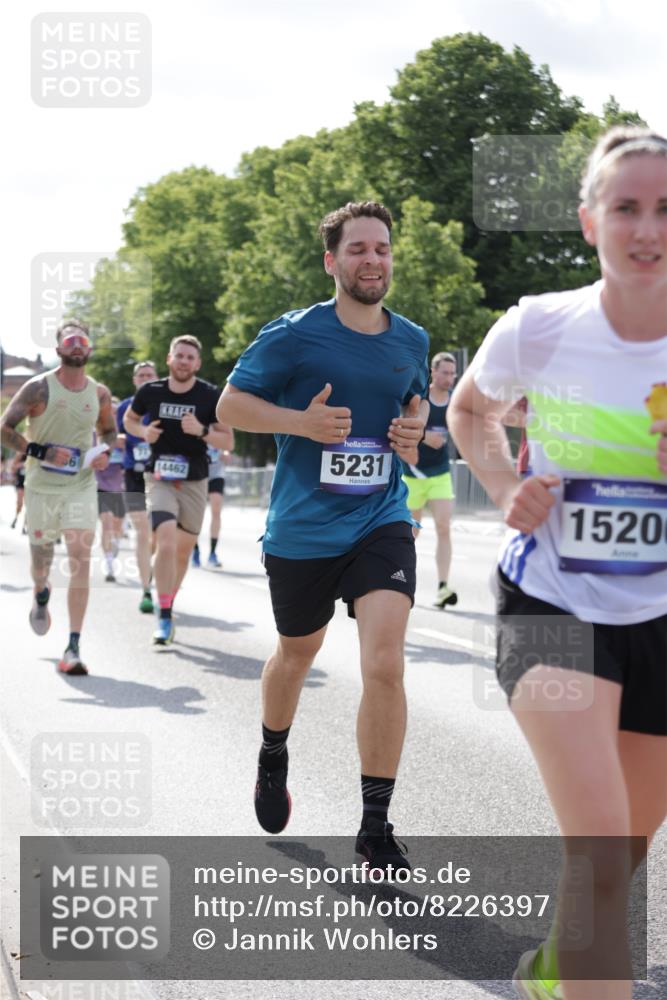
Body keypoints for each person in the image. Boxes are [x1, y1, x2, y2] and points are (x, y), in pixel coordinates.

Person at [448, 127, 667, 1000]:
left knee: (625, 854)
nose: (646, 228)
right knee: (600, 853)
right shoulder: (538, 325)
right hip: (551, 601)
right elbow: (471, 412)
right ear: (589, 222)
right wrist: (506, 485)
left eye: (664, 209)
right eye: (625, 208)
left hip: (658, 617)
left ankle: (549, 969)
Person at [217, 201, 429, 874]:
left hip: (380, 517)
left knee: (384, 663)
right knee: (296, 652)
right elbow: (229, 405)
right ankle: (273, 752)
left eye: (383, 249)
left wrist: (411, 426)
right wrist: (298, 424)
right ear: (331, 261)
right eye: (359, 249)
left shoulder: (411, 339)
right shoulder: (294, 334)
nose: (373, 260)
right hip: (303, 530)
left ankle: (374, 825)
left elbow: (415, 399)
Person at [0, 320, 116, 675]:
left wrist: (105, 450)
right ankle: (40, 593)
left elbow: (109, 430)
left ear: (90, 349)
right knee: (41, 564)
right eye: (71, 341)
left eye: (83, 341)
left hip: (80, 484)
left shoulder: (99, 394)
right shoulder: (38, 388)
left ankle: (73, 646)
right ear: (59, 350)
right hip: (40, 487)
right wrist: (41, 451)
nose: (78, 346)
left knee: (81, 557)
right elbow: (4, 429)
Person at [123, 336, 233, 645]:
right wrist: (143, 431)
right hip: (158, 477)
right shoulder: (150, 391)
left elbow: (228, 441)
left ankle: (168, 598)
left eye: (190, 358)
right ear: (169, 359)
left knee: (183, 552)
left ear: (197, 364)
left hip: (196, 479)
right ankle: (165, 612)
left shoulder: (211, 396)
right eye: (179, 356)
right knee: (166, 538)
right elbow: (129, 420)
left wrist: (203, 431)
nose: (184, 361)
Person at [401, 351, 458, 608]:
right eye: (444, 372)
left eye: (453, 372)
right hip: (412, 474)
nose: (449, 377)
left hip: (440, 474)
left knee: (444, 527)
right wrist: (425, 437)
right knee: (411, 533)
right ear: (433, 372)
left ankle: (443, 587)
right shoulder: (421, 399)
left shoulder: (455, 402)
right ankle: (401, 585)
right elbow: (403, 421)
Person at [116, 361, 159, 612]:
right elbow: (111, 434)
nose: (144, 378)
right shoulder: (125, 406)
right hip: (133, 473)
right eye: (140, 375)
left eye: (149, 375)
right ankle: (146, 589)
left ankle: (152, 567)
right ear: (135, 380)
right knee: (142, 531)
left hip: (160, 474)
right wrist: (119, 438)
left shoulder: (162, 403)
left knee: (157, 535)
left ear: (156, 378)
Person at [96, 398, 127, 582]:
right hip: (101, 486)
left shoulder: (125, 437)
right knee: (106, 525)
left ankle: (114, 544)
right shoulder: (96, 435)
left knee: (117, 527)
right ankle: (109, 565)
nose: (113, 416)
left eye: (116, 413)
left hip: (121, 488)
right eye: (110, 413)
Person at [191, 442, 234, 568]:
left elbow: (228, 447)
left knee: (216, 510)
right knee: (195, 514)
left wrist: (226, 454)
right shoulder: (197, 425)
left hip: (216, 475)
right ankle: (195, 550)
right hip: (198, 474)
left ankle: (212, 553)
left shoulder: (220, 424)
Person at [10, 452, 27, 531]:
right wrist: (21, 465)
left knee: (28, 505)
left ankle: (24, 525)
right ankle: (16, 518)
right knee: (19, 503)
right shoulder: (20, 454)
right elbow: (13, 467)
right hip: (20, 483)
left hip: (29, 484)